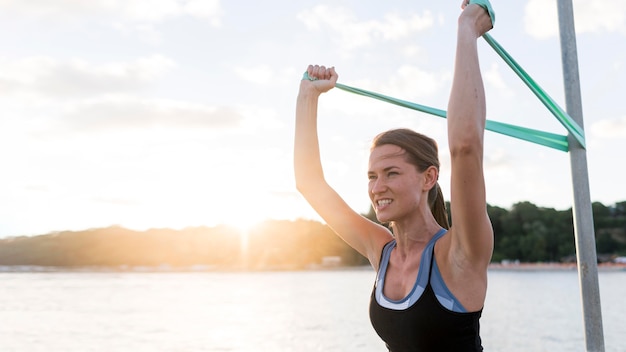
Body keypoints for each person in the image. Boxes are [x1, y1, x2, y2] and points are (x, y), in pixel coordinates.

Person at [294, 1, 495, 350]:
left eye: (391, 173)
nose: (377, 187)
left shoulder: (459, 252)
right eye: (372, 176)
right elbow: (310, 184)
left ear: (428, 177)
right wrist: (307, 95)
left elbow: (466, 146)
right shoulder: (382, 251)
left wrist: (468, 27)